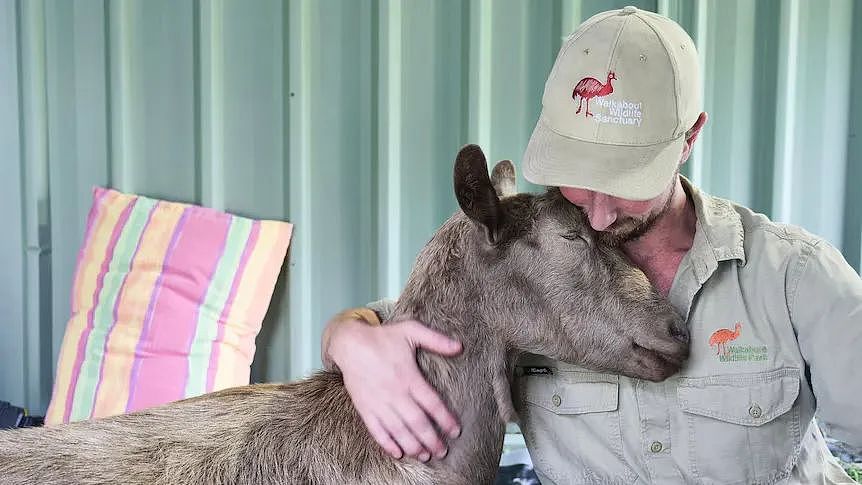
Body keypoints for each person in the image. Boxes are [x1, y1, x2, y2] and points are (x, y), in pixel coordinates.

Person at [321, 6, 862, 484]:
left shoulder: (793, 277)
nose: (599, 215)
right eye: (578, 176)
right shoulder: (528, 274)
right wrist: (349, 339)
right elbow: (413, 320)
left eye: (626, 179)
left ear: (689, 139)